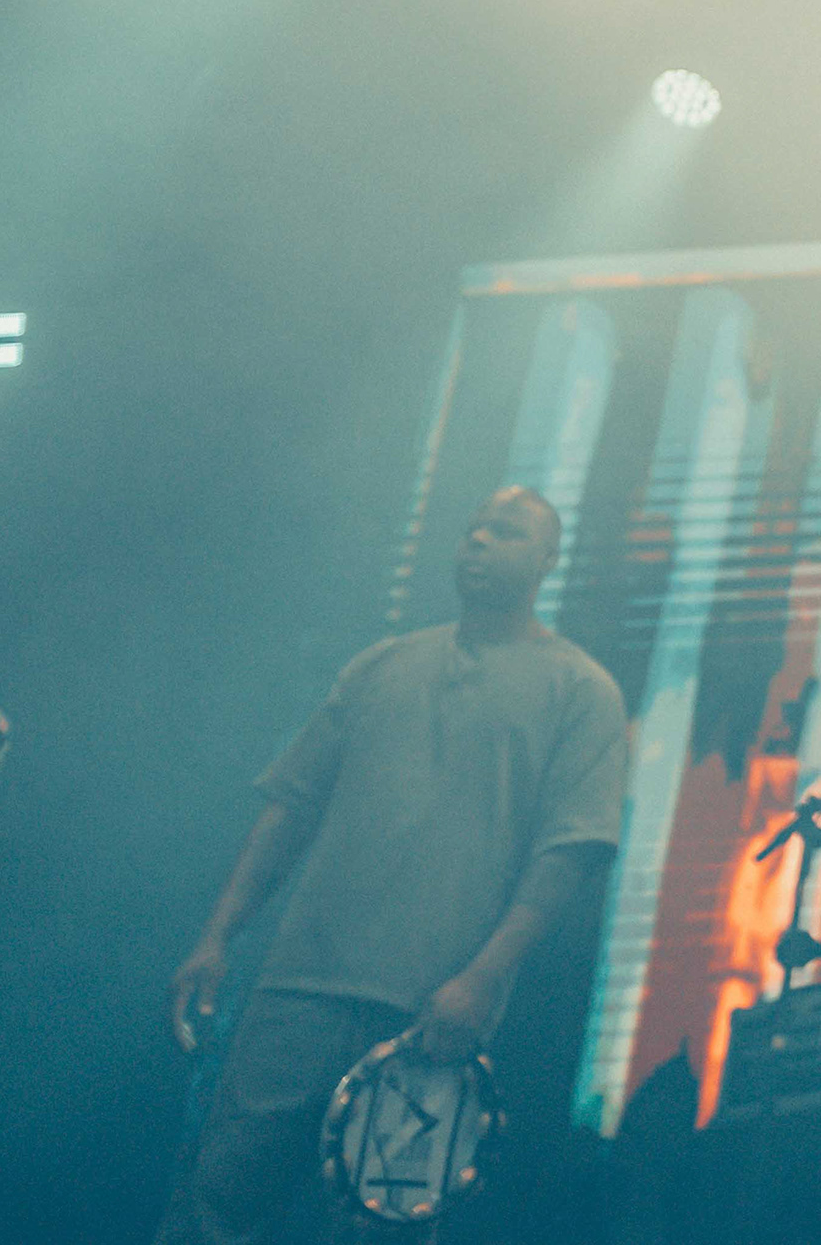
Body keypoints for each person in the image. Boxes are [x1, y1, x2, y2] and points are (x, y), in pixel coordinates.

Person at [154, 490, 626, 1245]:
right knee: (214, 1211)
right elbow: (291, 807)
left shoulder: (581, 690)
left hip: (428, 1015)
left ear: (548, 560)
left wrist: (482, 979)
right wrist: (217, 935)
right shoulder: (381, 665)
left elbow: (568, 852)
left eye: (505, 532)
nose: (479, 541)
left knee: (381, 1232)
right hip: (299, 991)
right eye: (473, 528)